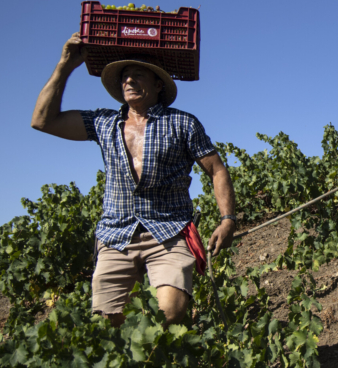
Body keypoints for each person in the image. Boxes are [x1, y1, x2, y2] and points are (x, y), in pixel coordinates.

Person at [31, 32, 236, 327]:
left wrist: (227, 218)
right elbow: (42, 120)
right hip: (116, 234)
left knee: (170, 312)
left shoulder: (182, 123)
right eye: (124, 77)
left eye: (137, 75)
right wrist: (65, 65)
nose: (128, 81)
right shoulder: (103, 123)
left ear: (157, 85)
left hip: (169, 231)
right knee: (108, 323)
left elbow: (216, 169)